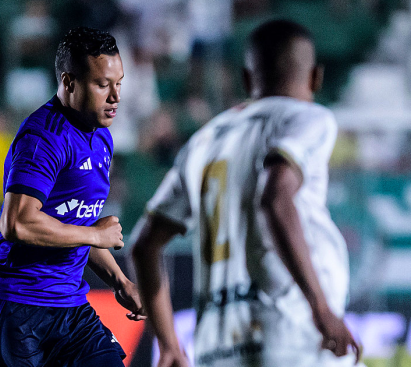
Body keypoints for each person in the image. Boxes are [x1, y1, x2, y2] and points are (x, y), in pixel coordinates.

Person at [130, 20, 362, 367]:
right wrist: (321, 307)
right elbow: (275, 197)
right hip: (293, 336)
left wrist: (169, 346)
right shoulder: (307, 118)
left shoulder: (202, 142)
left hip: (217, 349)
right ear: (315, 77)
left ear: (248, 79)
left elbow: (143, 245)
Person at [0, 27, 145, 367]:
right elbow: (17, 222)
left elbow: (73, 225)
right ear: (69, 82)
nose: (116, 95)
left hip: (69, 309)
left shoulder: (101, 138)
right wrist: (96, 234)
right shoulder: (43, 137)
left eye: (119, 82)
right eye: (102, 84)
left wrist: (120, 281)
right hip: (13, 310)